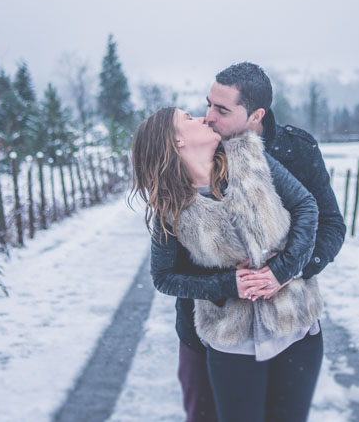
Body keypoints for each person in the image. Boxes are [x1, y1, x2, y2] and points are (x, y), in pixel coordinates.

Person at [132, 107, 324, 422]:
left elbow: (306, 206)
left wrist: (284, 270)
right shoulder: (171, 211)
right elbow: (163, 277)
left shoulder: (249, 157)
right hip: (231, 345)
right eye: (189, 119)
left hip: (297, 330)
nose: (203, 117)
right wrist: (227, 284)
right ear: (177, 141)